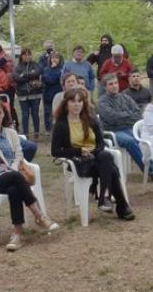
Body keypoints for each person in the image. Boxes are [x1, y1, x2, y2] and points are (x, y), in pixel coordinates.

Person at [0, 99, 61, 250]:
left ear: (4, 114)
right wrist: (4, 170)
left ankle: (17, 234)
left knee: (14, 189)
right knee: (15, 177)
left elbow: (19, 155)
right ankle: (39, 216)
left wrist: (11, 169)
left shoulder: (11, 133)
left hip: (13, 176)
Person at [51, 88, 135, 220]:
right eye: (73, 101)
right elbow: (55, 151)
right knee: (111, 168)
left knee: (105, 156)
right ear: (66, 104)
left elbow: (101, 144)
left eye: (80, 101)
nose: (77, 104)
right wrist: (79, 151)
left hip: (97, 158)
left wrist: (93, 152)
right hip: (79, 162)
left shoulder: (90, 119)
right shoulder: (61, 124)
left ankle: (104, 198)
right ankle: (120, 205)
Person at [96, 74, 146, 171]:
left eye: (116, 83)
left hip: (129, 128)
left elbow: (138, 114)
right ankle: (149, 169)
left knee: (145, 137)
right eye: (111, 84)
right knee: (130, 141)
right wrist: (128, 114)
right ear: (105, 87)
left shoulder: (126, 97)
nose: (114, 86)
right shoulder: (102, 102)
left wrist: (122, 115)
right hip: (113, 132)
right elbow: (111, 118)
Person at [12, 47, 43, 139]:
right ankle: (25, 134)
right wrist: (30, 76)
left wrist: (24, 75)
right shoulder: (17, 67)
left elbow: (37, 73)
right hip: (22, 94)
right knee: (25, 114)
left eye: (29, 54)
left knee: (35, 113)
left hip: (35, 93)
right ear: (21, 56)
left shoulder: (35, 65)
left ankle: (36, 133)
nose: (27, 56)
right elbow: (16, 78)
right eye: (25, 55)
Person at [41, 51, 64, 134]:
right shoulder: (46, 69)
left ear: (60, 59)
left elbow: (59, 79)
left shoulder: (62, 69)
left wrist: (53, 76)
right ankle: (48, 129)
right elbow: (46, 79)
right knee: (47, 112)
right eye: (53, 58)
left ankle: (58, 129)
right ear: (50, 59)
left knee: (59, 112)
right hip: (47, 94)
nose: (55, 60)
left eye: (57, 58)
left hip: (58, 93)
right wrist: (53, 72)